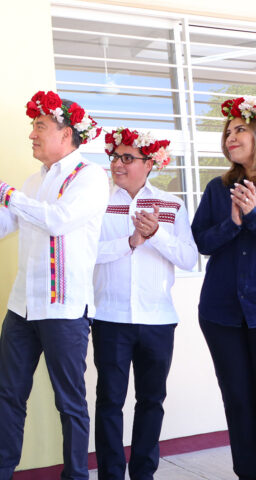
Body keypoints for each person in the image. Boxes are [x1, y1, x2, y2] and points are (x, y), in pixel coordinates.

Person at [0, 90, 109, 480]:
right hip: (22, 306)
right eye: (33, 127)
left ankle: (76, 475)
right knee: (9, 396)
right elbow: (0, 229)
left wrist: (3, 190)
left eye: (40, 126)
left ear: (67, 134)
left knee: (70, 403)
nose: (32, 135)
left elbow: (58, 219)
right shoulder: (32, 180)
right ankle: (1, 473)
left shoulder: (90, 178)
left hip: (65, 309)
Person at [93, 128, 197, 479]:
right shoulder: (98, 203)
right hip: (110, 318)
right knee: (109, 403)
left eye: (127, 158)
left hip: (158, 321)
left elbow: (188, 257)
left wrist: (156, 234)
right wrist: (130, 240)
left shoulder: (172, 204)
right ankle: (110, 474)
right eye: (114, 157)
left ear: (150, 162)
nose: (117, 164)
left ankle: (143, 474)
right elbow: (87, 254)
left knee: (151, 402)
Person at [192, 96, 256, 480]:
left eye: (240, 129)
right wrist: (232, 223)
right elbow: (201, 241)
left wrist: (253, 217)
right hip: (221, 314)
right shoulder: (219, 188)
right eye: (227, 132)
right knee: (238, 400)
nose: (230, 137)